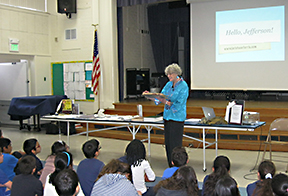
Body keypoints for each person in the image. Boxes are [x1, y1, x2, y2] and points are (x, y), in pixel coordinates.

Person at [144, 63, 189, 167]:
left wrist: (164, 101)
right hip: (167, 118)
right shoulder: (168, 84)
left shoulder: (183, 86)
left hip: (177, 118)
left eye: (170, 74)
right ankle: (170, 164)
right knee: (168, 144)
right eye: (167, 74)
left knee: (175, 144)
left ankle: (177, 165)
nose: (169, 76)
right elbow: (159, 98)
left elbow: (178, 104)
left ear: (176, 74)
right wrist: (149, 96)